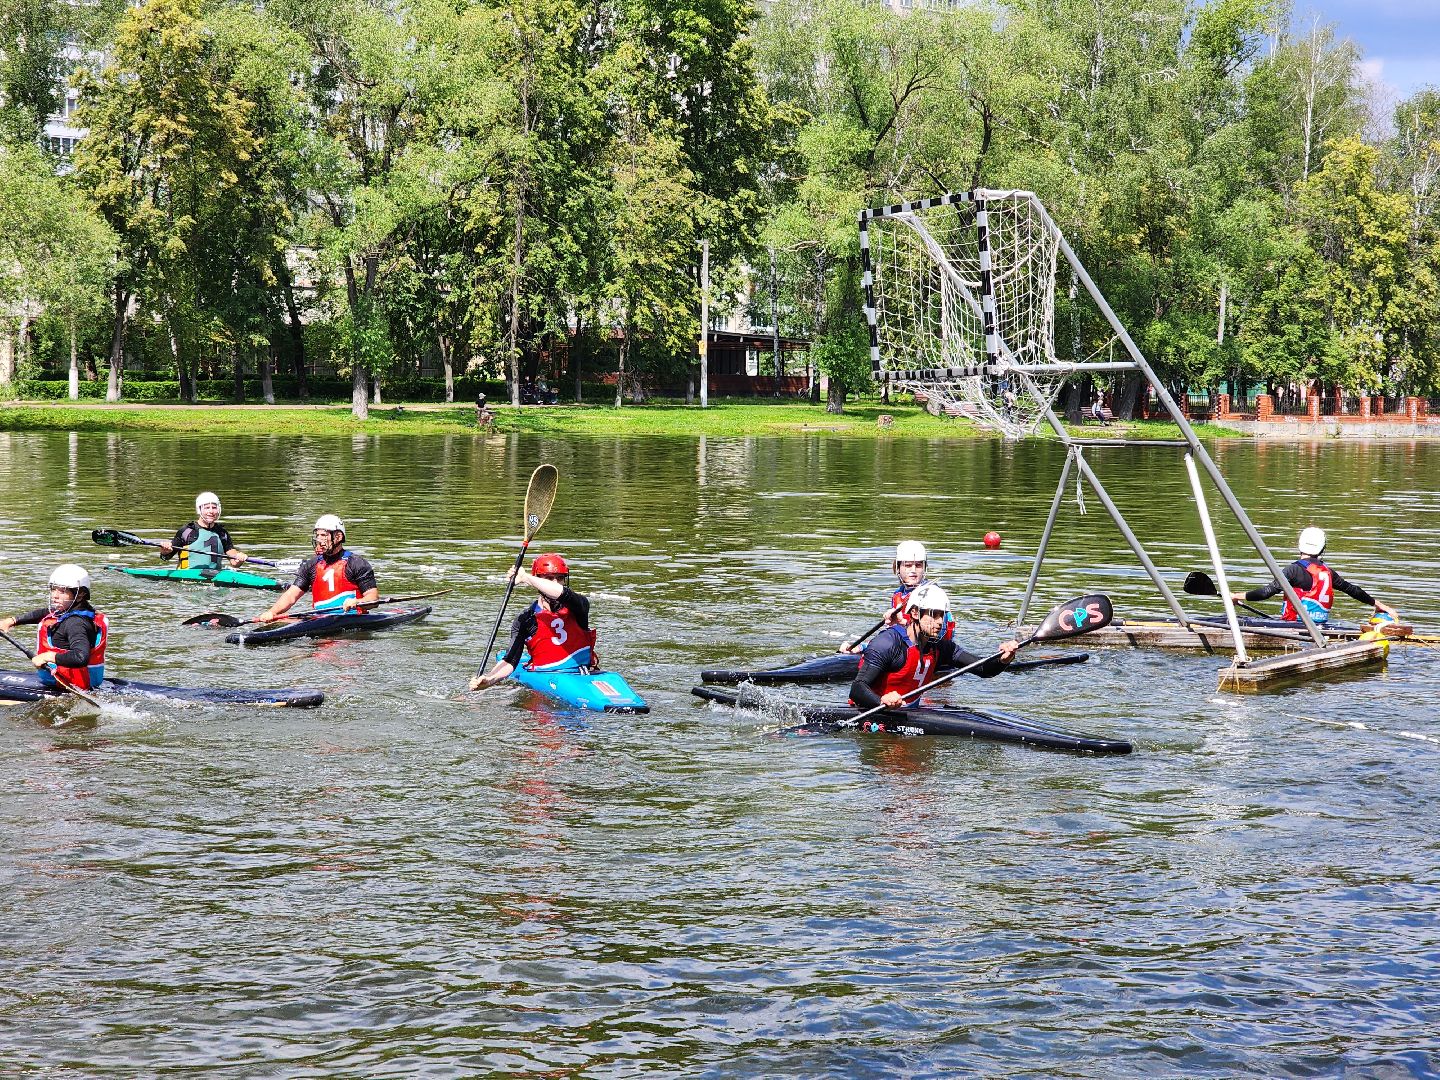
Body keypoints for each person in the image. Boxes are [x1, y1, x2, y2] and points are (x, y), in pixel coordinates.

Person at [849, 583, 1017, 710]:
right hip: (871, 711)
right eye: (933, 615)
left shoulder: (940, 647)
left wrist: (1003, 659)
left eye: (941, 616)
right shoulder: (888, 643)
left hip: (909, 712)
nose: (939, 622)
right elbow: (857, 689)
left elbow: (983, 669)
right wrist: (881, 701)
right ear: (915, 613)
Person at [470, 553, 595, 690]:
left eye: (560, 578)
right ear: (538, 581)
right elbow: (510, 661)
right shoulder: (525, 619)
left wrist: (525, 578)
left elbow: (560, 593)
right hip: (545, 677)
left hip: (582, 675)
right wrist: (489, 680)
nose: (555, 582)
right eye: (549, 578)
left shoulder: (579, 606)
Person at [1230, 526, 1399, 625]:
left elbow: (1266, 592)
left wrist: (1236, 596)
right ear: (1322, 549)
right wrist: (1379, 605)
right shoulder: (1328, 572)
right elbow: (1353, 590)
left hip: (1294, 627)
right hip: (1320, 626)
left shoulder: (1292, 570)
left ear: (1300, 545)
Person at [0, 564, 108, 689]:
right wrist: (12, 621)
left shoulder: (76, 623)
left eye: (62, 591)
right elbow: (45, 613)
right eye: (53, 589)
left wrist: (48, 656)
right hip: (85, 679)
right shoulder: (73, 610)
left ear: (80, 594)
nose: (55, 595)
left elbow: (80, 657)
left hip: (70, 683)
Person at [254, 514, 379, 622]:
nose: (319, 540)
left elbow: (373, 599)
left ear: (338, 537)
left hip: (351, 619)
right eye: (317, 535)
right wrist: (272, 612)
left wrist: (357, 602)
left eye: (324, 535)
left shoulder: (356, 563)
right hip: (320, 620)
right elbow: (291, 595)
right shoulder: (311, 565)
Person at [841, 541, 951, 653]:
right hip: (909, 646)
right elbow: (894, 635)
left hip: (933, 650)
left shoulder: (934, 594)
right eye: (908, 565)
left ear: (924, 568)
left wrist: (902, 623)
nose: (913, 570)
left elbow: (937, 633)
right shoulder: (898, 594)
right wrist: (863, 647)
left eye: (918, 565)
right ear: (898, 568)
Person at [158, 491, 248, 570]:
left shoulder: (222, 533)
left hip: (213, 580)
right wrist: (164, 551)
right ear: (199, 509)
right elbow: (165, 558)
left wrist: (239, 558)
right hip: (186, 581)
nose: (211, 511)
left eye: (214, 507)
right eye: (207, 507)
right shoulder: (187, 531)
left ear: (218, 510)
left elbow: (234, 563)